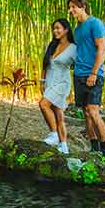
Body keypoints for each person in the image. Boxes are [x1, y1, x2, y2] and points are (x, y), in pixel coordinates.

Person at [67, 0, 105, 155]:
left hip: (93, 74)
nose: (71, 11)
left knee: (93, 110)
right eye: (69, 8)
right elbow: (80, 51)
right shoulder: (77, 29)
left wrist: (94, 73)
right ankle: (94, 148)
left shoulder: (95, 23)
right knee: (85, 112)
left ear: (83, 6)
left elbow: (101, 49)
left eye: (73, 7)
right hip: (79, 74)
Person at [39, 19, 77, 154]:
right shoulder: (52, 45)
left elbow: (80, 64)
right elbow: (45, 64)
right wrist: (42, 81)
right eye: (54, 29)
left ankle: (54, 134)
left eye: (58, 28)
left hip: (62, 83)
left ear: (66, 30)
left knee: (43, 105)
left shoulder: (73, 48)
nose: (55, 31)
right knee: (58, 115)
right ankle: (64, 146)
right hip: (50, 81)